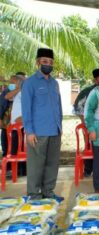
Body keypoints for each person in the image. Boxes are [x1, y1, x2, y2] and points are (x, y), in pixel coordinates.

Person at [22, 48, 62, 199]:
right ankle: (33, 194)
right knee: (35, 166)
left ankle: (48, 192)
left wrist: (60, 126)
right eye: (45, 61)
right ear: (38, 62)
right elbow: (26, 109)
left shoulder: (54, 83)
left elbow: (59, 106)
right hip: (38, 132)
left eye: (51, 62)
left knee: (52, 165)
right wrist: (29, 131)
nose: (48, 64)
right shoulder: (30, 83)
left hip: (55, 130)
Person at [73, 68, 99, 177]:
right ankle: (88, 170)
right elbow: (78, 108)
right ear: (95, 80)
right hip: (89, 126)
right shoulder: (86, 92)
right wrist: (86, 125)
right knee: (89, 146)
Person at [7, 75, 26, 176]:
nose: (11, 85)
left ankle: (21, 171)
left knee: (20, 148)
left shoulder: (23, 92)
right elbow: (7, 96)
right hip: (15, 125)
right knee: (16, 148)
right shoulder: (17, 92)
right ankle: (18, 171)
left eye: (12, 82)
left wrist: (23, 119)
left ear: (18, 83)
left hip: (21, 125)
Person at [0, 75, 16, 158]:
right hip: (6, 119)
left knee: (12, 139)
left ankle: (9, 156)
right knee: (5, 137)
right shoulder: (7, 91)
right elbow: (2, 105)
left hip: (14, 120)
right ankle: (6, 156)